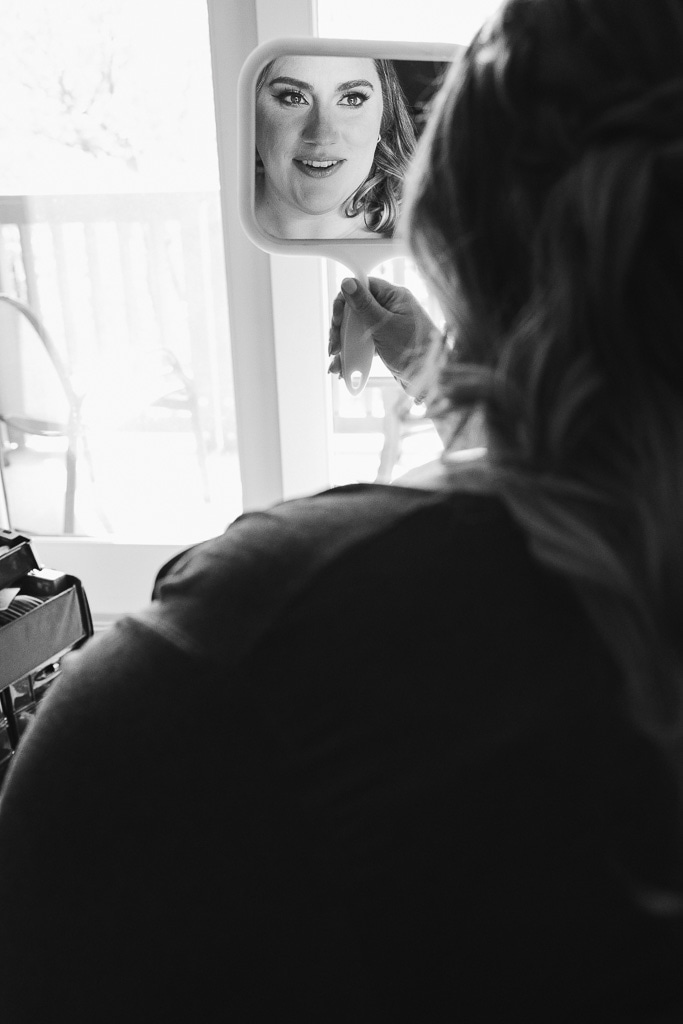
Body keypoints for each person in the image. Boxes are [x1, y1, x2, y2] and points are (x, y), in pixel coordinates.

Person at [1, 0, 683, 1020]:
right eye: (290, 101)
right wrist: (438, 367)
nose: (318, 133)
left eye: (352, 100)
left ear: (447, 223)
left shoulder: (231, 664)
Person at [255, 55, 416, 238]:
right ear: (250, 112)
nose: (322, 136)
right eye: (294, 98)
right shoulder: (219, 228)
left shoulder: (423, 250)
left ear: (384, 117)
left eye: (351, 99)